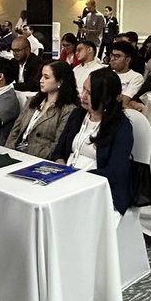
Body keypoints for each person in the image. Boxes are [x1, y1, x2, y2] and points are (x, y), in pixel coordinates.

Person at [52, 68, 133, 215]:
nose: (82, 96)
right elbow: (59, 150)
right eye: (83, 89)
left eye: (90, 93)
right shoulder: (77, 115)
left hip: (98, 188)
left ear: (106, 98)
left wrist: (77, 176)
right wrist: (60, 164)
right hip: (66, 180)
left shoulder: (121, 127)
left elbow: (115, 172)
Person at [6, 61, 78, 157]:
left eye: (46, 77)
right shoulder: (33, 101)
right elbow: (15, 130)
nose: (41, 80)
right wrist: (8, 152)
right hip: (16, 151)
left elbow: (57, 144)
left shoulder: (68, 110)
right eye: (41, 76)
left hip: (38, 157)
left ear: (60, 82)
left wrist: (32, 157)